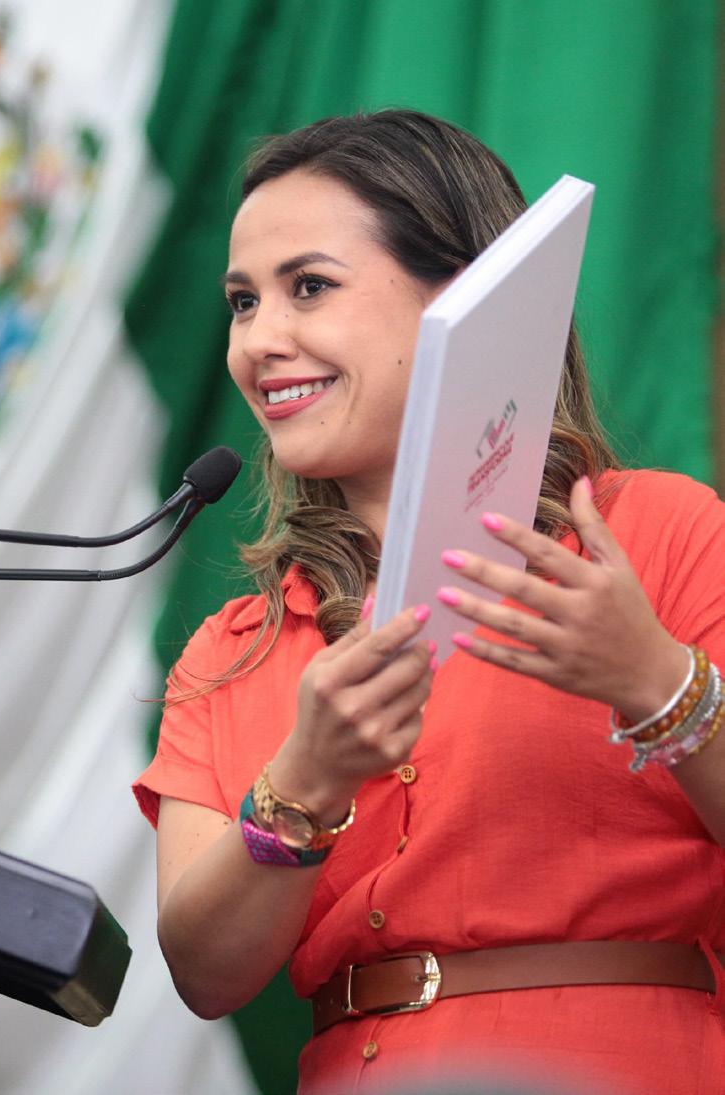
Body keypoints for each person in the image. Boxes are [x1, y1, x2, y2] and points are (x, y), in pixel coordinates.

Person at [133, 110, 725, 1095]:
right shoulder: (237, 646)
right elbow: (205, 974)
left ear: (466, 296)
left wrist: (658, 685)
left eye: (309, 287)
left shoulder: (658, 534)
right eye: (242, 302)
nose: (259, 342)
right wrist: (305, 782)